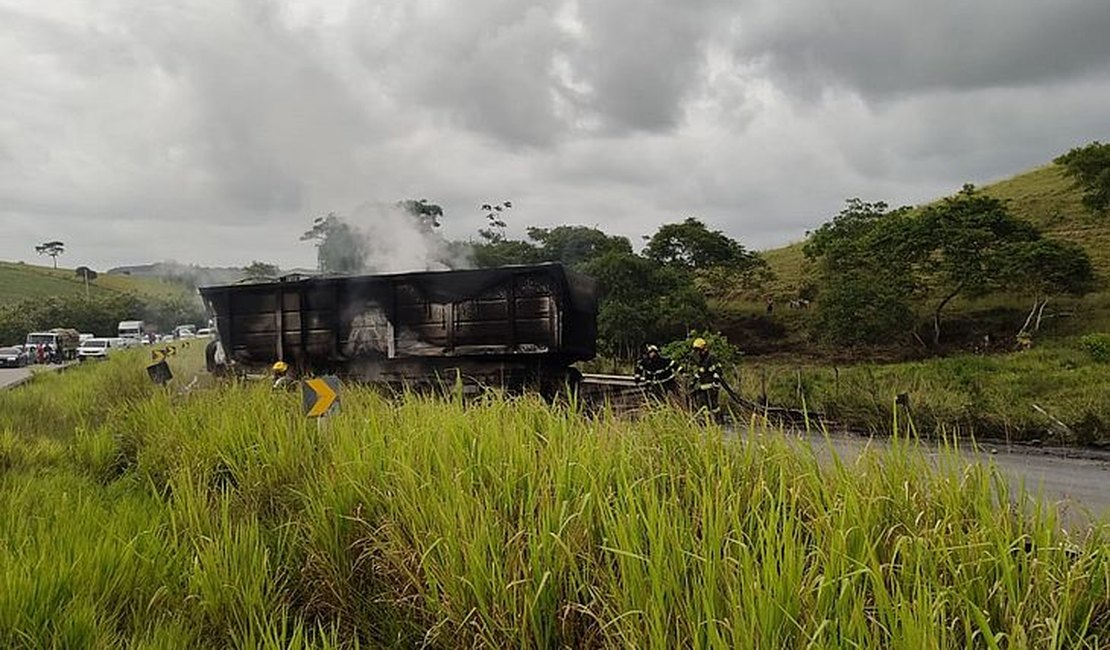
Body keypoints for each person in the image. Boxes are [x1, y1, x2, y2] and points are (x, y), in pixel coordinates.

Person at [690, 337, 724, 422]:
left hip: (712, 385)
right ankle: (707, 421)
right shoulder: (701, 359)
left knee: (714, 405)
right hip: (703, 386)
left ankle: (718, 420)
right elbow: (700, 372)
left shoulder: (711, 357)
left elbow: (718, 370)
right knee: (704, 405)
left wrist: (716, 382)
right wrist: (693, 381)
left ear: (703, 348)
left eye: (698, 350)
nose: (697, 352)